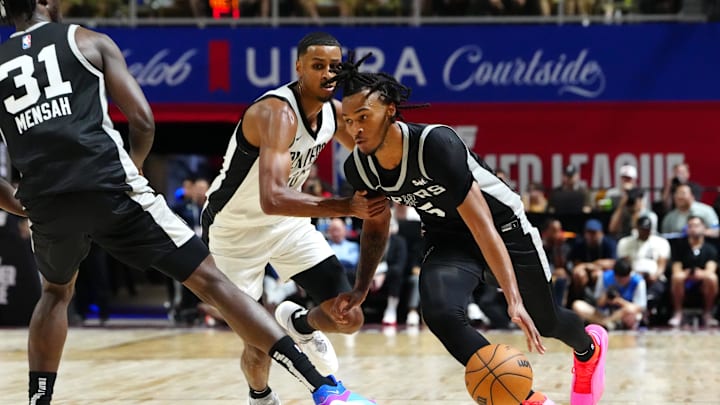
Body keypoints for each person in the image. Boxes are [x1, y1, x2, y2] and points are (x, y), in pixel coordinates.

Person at [0, 3, 374, 404]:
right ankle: (314, 388)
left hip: (46, 200)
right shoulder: (85, 39)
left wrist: (22, 204)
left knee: (55, 294)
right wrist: (136, 170)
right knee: (214, 285)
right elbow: (142, 120)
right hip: (132, 193)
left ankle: (38, 400)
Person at [329, 55, 609, 405]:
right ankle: (524, 398)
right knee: (440, 312)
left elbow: (482, 224)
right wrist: (360, 287)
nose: (355, 128)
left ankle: (589, 348)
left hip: (502, 227)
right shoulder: (360, 168)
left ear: (389, 109)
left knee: (544, 320)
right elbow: (376, 226)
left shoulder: (436, 144)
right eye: (349, 120)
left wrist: (513, 298)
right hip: (446, 238)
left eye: (363, 117)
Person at [201, 33, 388, 405]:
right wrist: (347, 207)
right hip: (235, 231)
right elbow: (271, 198)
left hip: (288, 225)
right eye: (317, 66)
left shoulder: (334, 115)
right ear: (299, 67)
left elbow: (372, 156)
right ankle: (260, 396)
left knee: (347, 315)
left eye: (334, 67)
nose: (327, 74)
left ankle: (299, 323)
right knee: (257, 341)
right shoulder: (277, 113)